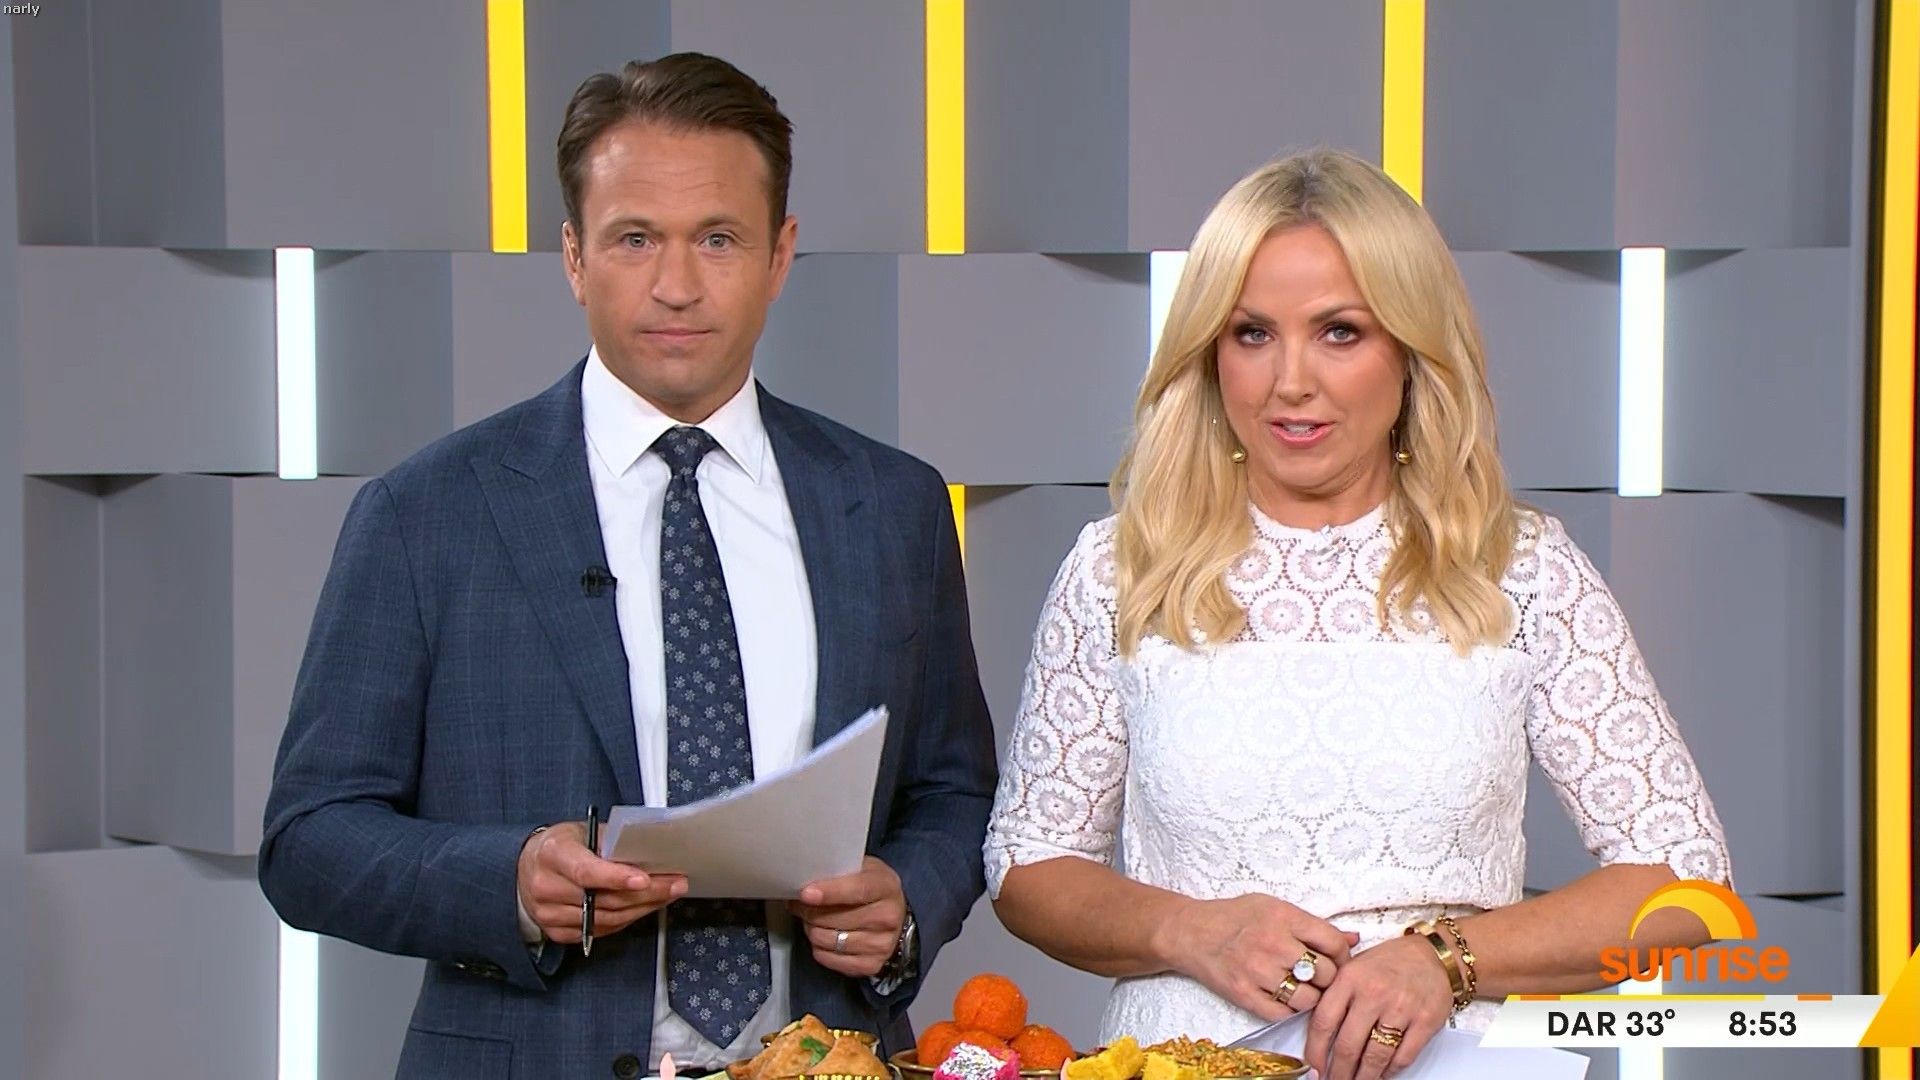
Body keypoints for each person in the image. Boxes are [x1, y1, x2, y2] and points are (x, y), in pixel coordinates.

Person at [259, 53, 997, 1080]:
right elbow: (308, 841)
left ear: (781, 255)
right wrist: (509, 880)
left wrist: (907, 901)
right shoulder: (426, 514)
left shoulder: (895, 506)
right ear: (574, 256)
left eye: (718, 239)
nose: (677, 285)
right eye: (635, 238)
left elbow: (956, 791)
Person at [982, 149, 1731, 1080]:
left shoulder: (1519, 569)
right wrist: (1188, 929)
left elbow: (1685, 878)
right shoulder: (1122, 568)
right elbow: (1028, 863)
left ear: (1411, 352)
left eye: (1340, 332)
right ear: (1209, 353)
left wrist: (1447, 960)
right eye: (1252, 333)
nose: (1290, 380)